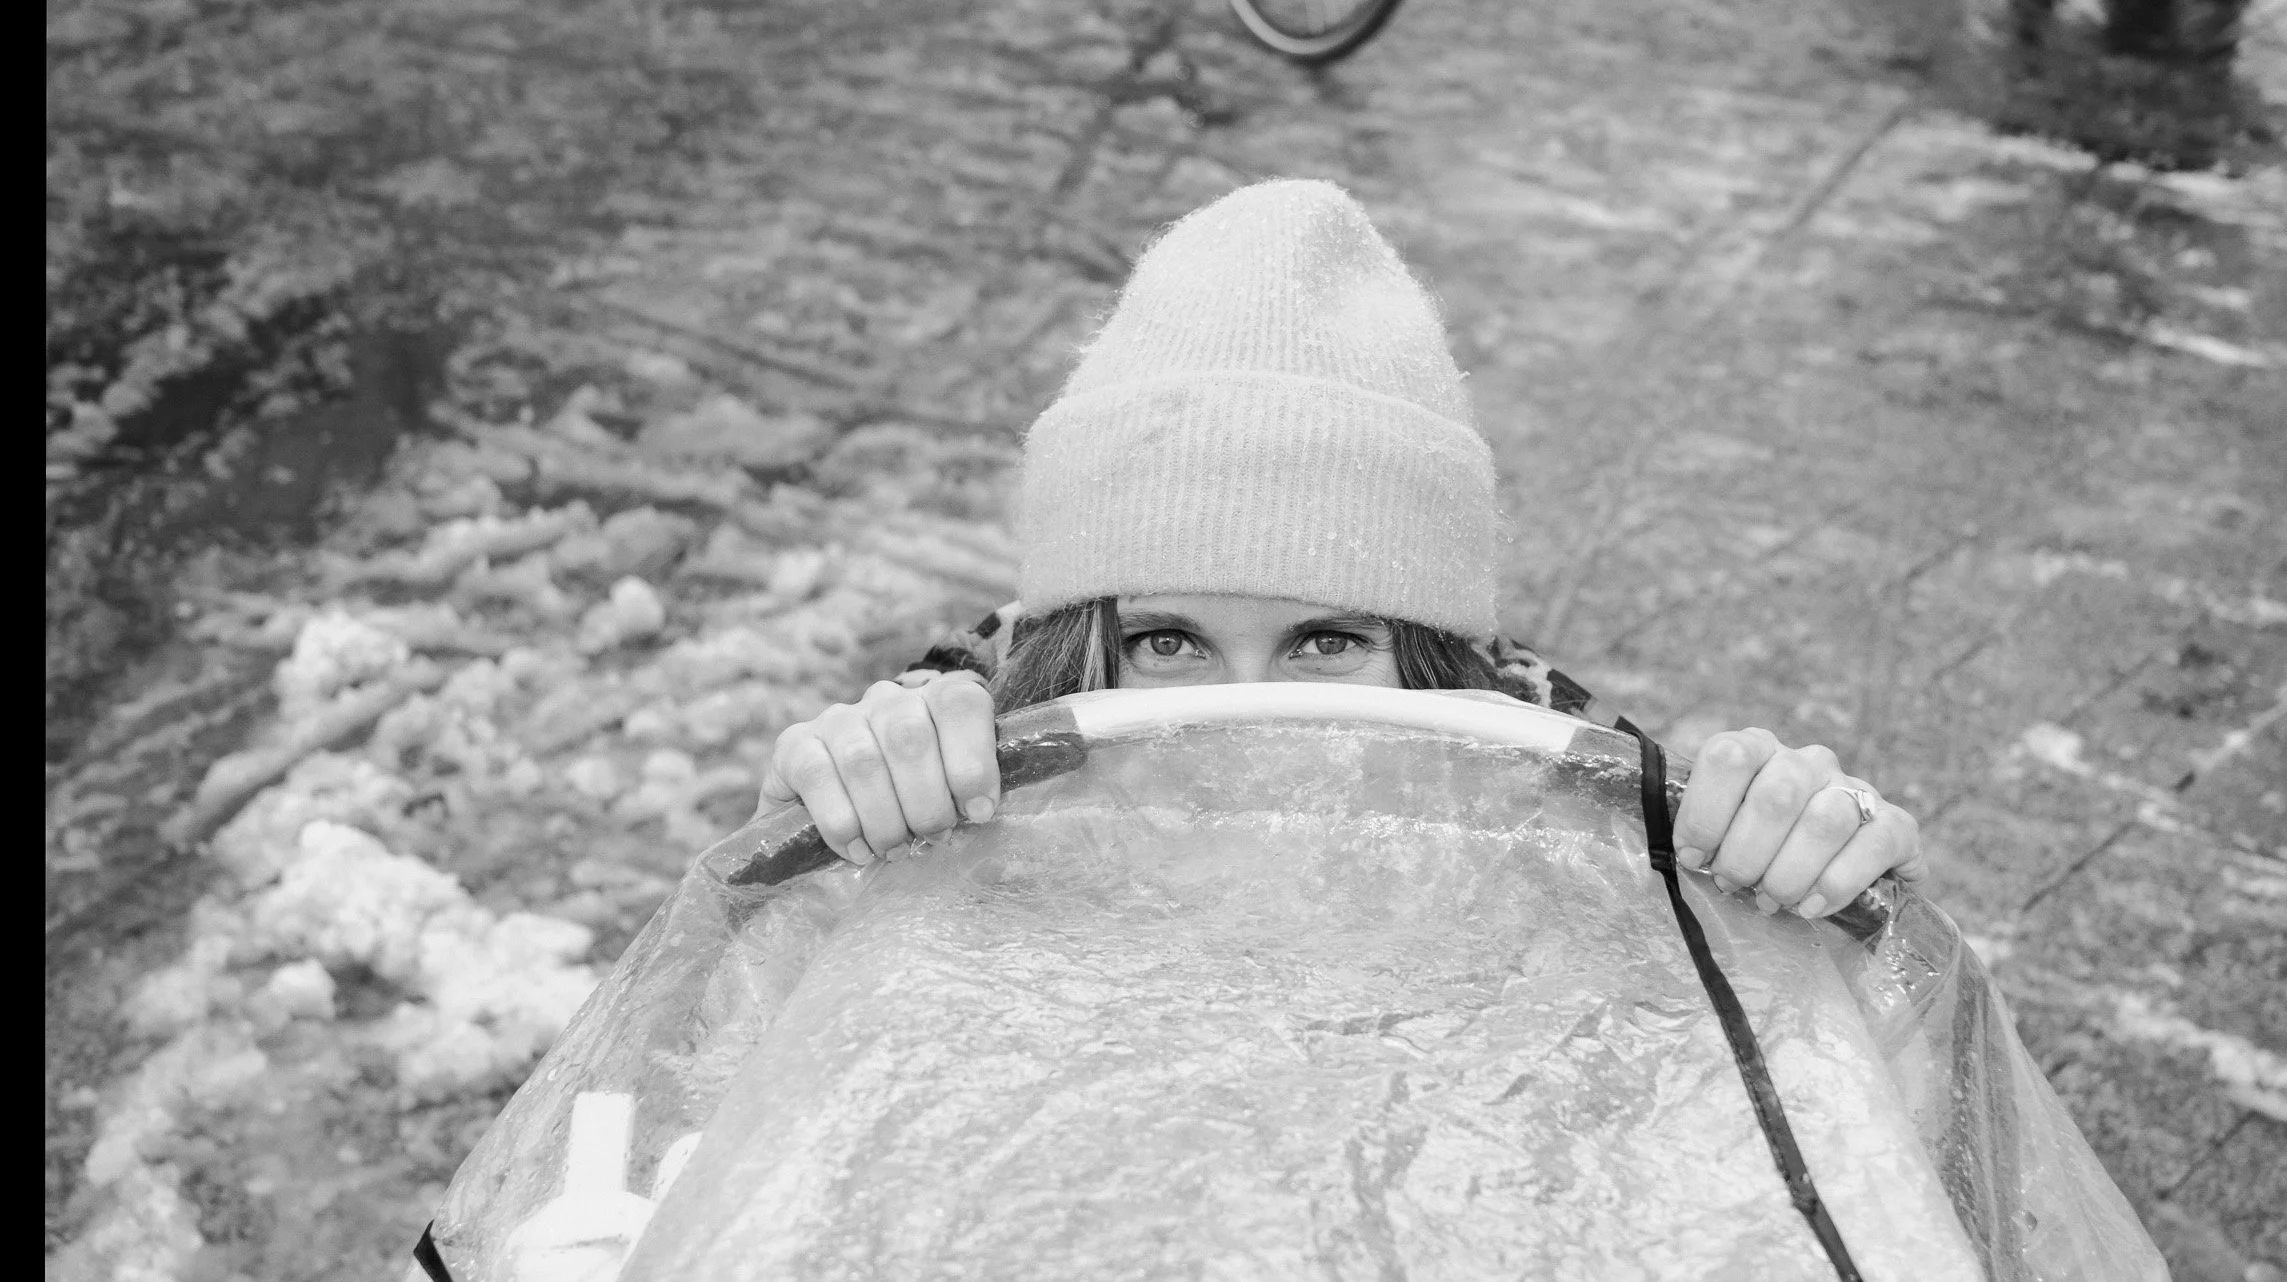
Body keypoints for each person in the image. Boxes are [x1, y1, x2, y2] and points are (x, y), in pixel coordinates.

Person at [756, 180, 1927, 925]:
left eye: (1326, 636)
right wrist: (823, 826)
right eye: (1168, 640)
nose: (1248, 719)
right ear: (1074, 650)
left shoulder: (1566, 825)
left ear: (1431, 658)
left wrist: (1810, 870)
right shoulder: (969, 780)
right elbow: (720, 1081)